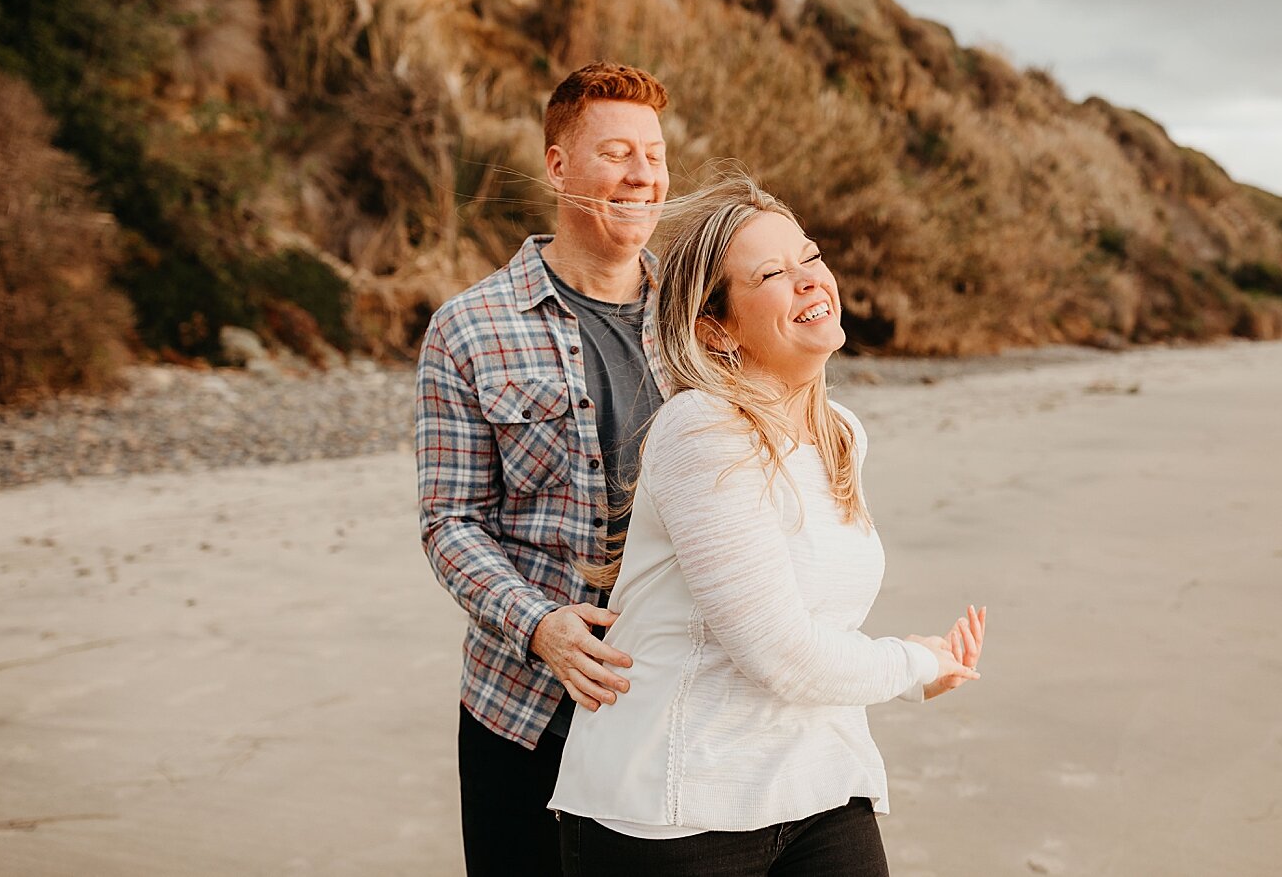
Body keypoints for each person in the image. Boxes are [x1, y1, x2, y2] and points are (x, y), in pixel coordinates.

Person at [548, 175, 986, 876]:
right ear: (715, 327)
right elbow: (779, 652)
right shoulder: (701, 430)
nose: (809, 281)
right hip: (678, 807)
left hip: (819, 779)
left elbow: (818, 627)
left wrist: (912, 666)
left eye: (809, 257)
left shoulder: (840, 433)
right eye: (771, 274)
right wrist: (914, 662)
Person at [416, 61, 673, 876]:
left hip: (672, 707)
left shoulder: (703, 322)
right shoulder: (469, 326)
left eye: (656, 155)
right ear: (558, 165)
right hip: (524, 714)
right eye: (618, 152)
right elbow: (450, 522)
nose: (642, 176)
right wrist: (539, 626)